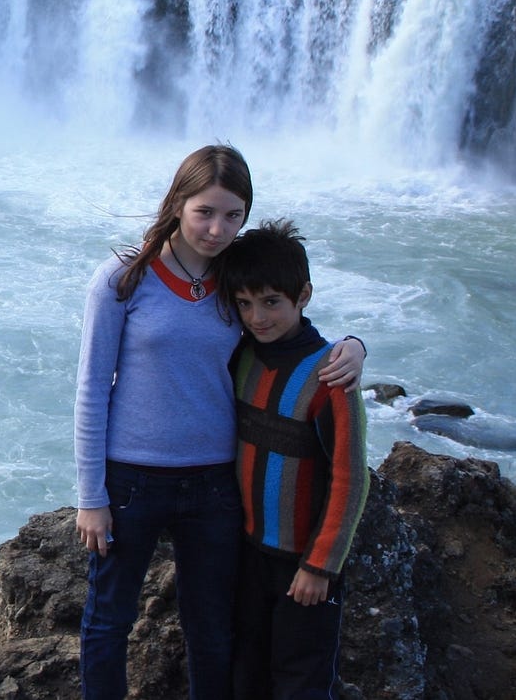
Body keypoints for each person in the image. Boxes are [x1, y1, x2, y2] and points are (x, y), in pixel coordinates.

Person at [74, 144, 364, 700]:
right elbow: (90, 391)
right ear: (179, 202)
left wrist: (353, 346)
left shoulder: (235, 282)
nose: (217, 229)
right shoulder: (123, 278)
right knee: (109, 620)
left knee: (212, 630)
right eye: (205, 211)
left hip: (215, 483)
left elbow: (287, 327)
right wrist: (91, 495)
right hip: (131, 481)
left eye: (233, 215)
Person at [219, 220, 370, 700]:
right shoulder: (241, 357)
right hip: (246, 555)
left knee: (300, 679)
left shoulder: (331, 377)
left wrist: (321, 565)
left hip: (303, 567)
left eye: (270, 302)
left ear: (303, 295)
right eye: (244, 304)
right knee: (246, 671)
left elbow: (350, 478)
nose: (257, 317)